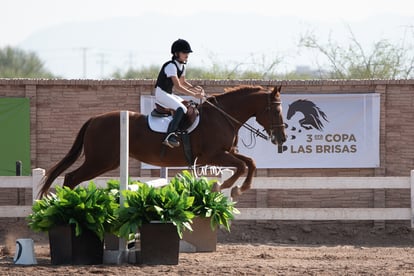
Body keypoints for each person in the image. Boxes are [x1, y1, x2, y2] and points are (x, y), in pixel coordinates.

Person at [154, 39, 205, 148]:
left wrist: (194, 88)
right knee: (181, 109)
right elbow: (178, 86)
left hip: (168, 93)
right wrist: (194, 95)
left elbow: (182, 82)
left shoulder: (182, 66)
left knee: (187, 104)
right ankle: (170, 135)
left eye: (188, 53)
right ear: (176, 54)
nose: (187, 55)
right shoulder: (171, 66)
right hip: (161, 93)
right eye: (184, 53)